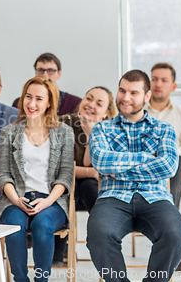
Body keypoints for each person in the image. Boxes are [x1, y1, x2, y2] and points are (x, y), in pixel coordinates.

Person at [87, 70, 181, 282]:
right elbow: (101, 162)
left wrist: (118, 167)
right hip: (112, 198)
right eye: (122, 91)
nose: (125, 98)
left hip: (155, 197)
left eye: (134, 92)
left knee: (174, 236)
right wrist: (145, 158)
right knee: (99, 235)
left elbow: (169, 166)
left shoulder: (164, 129)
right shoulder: (101, 129)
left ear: (147, 96)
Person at [0, 76, 74, 282]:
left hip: (51, 200)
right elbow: (3, 175)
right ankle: (21, 279)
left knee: (42, 225)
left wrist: (47, 202)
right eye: (28, 97)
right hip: (16, 198)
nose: (31, 103)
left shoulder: (64, 132)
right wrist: (16, 200)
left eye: (39, 99)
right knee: (14, 226)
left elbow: (66, 175)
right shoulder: (9, 132)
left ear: (49, 102)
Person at [53, 86, 117, 265]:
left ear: (106, 113)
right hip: (63, 187)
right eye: (88, 98)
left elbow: (94, 165)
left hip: (91, 192)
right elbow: (59, 168)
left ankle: (101, 236)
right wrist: (89, 172)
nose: (91, 105)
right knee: (68, 185)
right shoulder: (63, 123)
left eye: (99, 103)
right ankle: (58, 253)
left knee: (87, 184)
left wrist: (91, 135)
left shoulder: (108, 130)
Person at [146, 62, 181, 272]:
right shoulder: (138, 111)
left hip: (175, 165)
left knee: (174, 169)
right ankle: (170, 247)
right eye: (154, 79)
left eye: (164, 80)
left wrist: (167, 154)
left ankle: (170, 246)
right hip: (146, 165)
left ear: (173, 86)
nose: (158, 84)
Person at [12, 53, 81, 116]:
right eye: (40, 70)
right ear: (35, 73)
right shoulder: (19, 103)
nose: (45, 74)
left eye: (50, 70)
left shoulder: (75, 104)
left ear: (59, 74)